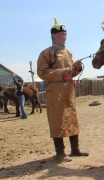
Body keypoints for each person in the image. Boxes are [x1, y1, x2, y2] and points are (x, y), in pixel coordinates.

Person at [37, 18, 88, 162]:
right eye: (61, 34)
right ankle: (60, 153)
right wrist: (64, 71)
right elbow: (42, 73)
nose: (64, 36)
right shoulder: (46, 53)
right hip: (55, 93)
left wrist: (76, 68)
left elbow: (70, 73)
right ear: (54, 36)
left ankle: (75, 150)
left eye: (65, 34)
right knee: (57, 121)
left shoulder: (68, 53)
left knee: (72, 119)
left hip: (68, 92)